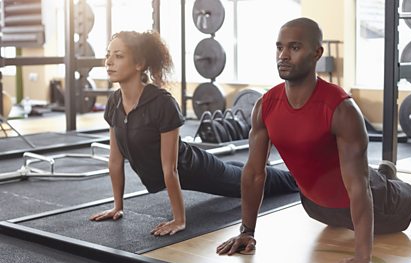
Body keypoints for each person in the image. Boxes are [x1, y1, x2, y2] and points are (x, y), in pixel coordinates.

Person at [215, 17, 411, 263]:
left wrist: (362, 257)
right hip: (316, 207)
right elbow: (253, 174)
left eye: (294, 48)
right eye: (280, 47)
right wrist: (246, 232)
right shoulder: (265, 106)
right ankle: (386, 172)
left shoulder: (340, 109)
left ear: (317, 53)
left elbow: (359, 187)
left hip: (379, 204)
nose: (283, 55)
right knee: (367, 175)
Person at [89, 30, 298, 236]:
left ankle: (299, 180)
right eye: (108, 55)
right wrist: (118, 206)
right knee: (239, 169)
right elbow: (115, 161)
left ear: (139, 63)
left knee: (249, 181)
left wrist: (179, 220)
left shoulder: (162, 103)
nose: (108, 62)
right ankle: (254, 168)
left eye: (118, 56)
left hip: (196, 169)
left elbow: (170, 168)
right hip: (185, 170)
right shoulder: (115, 102)